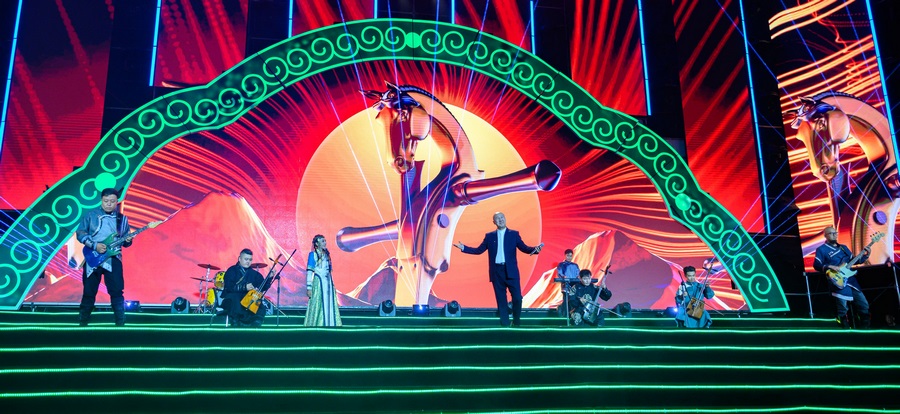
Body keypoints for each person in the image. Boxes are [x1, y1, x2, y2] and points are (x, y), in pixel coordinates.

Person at [454, 212, 543, 327]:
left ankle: (516, 321)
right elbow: (479, 250)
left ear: (505, 219)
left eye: (502, 217)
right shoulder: (489, 236)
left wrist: (535, 250)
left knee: (517, 298)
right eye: (497, 218)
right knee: (501, 300)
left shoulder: (514, 234)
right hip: (497, 271)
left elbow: (524, 248)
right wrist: (464, 248)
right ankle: (505, 325)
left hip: (511, 271)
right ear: (494, 222)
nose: (500, 220)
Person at [75, 188, 133, 326]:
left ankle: (120, 323)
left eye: (112, 201)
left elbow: (126, 241)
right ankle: (82, 323)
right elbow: (80, 233)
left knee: (117, 291)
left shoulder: (122, 219)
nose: (109, 204)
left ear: (117, 201)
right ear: (101, 200)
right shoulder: (91, 215)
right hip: (93, 257)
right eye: (106, 201)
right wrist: (95, 245)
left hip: (113, 258)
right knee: (89, 291)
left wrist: (128, 240)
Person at [813, 226, 871, 329]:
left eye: (835, 233)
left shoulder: (844, 248)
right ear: (825, 236)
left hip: (851, 280)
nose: (834, 235)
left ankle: (865, 328)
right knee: (843, 307)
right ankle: (844, 328)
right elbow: (816, 265)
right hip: (838, 280)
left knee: (863, 304)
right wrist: (830, 266)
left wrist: (866, 255)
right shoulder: (822, 249)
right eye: (831, 233)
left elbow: (854, 261)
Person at [221, 248, 270, 327]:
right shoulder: (232, 270)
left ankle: (255, 323)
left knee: (258, 301)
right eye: (246, 259)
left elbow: (262, 287)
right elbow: (228, 287)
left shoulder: (254, 274)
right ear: (239, 259)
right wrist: (244, 287)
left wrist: (269, 278)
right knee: (235, 298)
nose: (248, 261)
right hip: (232, 298)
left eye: (250, 260)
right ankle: (236, 322)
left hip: (248, 299)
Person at [305, 234, 342, 327]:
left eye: (325, 241)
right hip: (319, 283)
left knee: (329, 302)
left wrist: (332, 285)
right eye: (322, 241)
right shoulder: (313, 255)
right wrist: (309, 287)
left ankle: (330, 324)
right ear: (317, 244)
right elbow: (309, 272)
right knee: (318, 303)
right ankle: (318, 324)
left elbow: (328, 271)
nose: (325, 243)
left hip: (328, 283)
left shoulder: (326, 255)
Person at [556, 249, 580, 317]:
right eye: (568, 255)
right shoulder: (561, 265)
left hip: (574, 286)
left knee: (574, 300)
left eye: (571, 256)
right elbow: (560, 273)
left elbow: (578, 274)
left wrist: (578, 278)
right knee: (566, 300)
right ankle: (564, 315)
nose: (569, 257)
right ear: (565, 255)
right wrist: (564, 277)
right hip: (566, 286)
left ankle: (573, 315)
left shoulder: (575, 265)